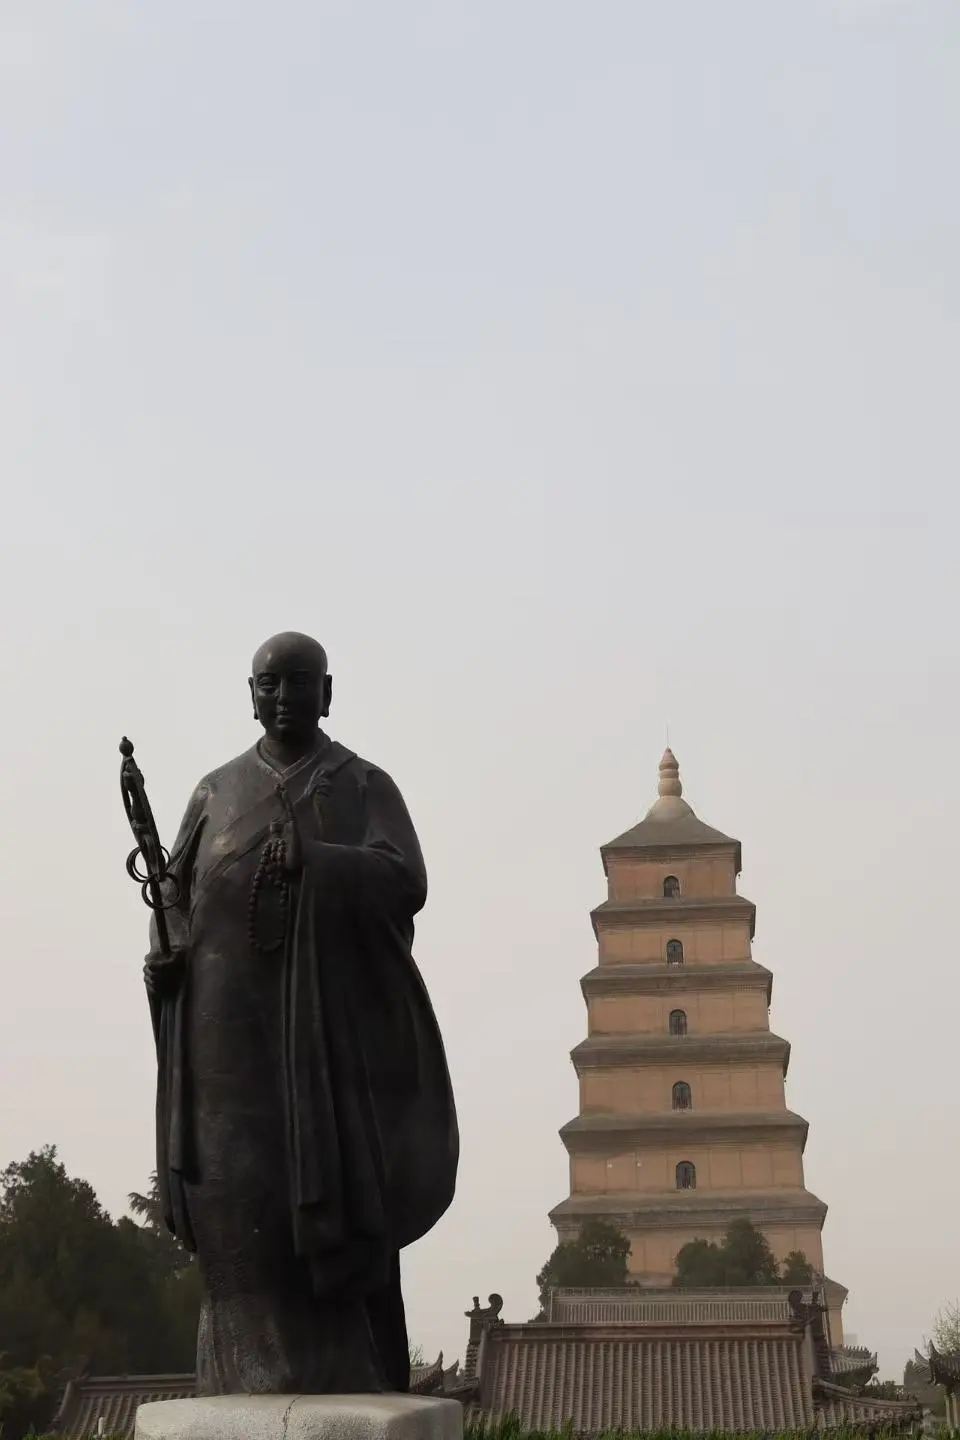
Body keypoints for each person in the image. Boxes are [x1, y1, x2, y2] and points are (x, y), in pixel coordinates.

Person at [143, 631, 458, 1395]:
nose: (284, 697)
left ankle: (340, 1367)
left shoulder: (359, 785)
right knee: (234, 1191)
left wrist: (317, 861)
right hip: (223, 1032)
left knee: (327, 1194)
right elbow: (175, 899)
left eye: (299, 682)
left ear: (328, 690)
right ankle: (237, 1375)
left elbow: (405, 878)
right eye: (268, 684)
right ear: (250, 693)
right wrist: (165, 948)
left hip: (324, 1030)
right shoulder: (214, 792)